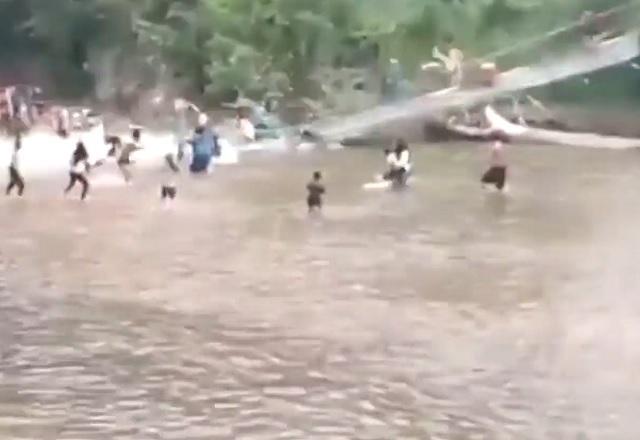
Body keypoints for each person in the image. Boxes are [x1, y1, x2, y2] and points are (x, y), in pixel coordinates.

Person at [6, 131, 25, 196]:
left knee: (13, 182)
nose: (21, 145)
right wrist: (17, 173)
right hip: (13, 169)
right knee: (21, 184)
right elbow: (14, 164)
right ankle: (19, 196)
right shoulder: (15, 152)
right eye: (20, 143)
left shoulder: (16, 152)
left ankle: (8, 192)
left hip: (12, 168)